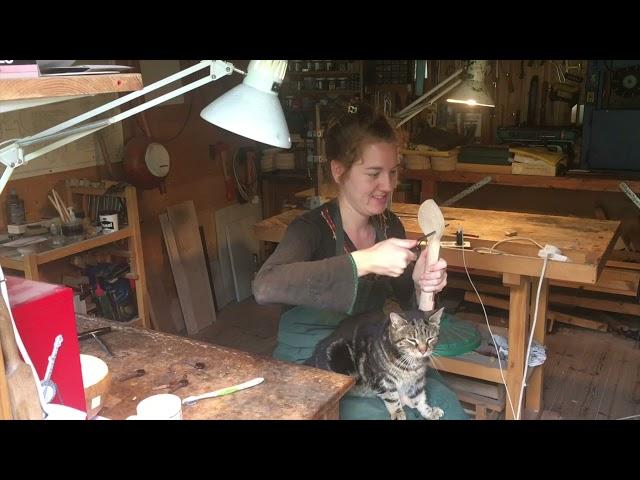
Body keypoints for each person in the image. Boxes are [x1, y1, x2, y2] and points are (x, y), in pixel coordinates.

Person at [253, 103, 468, 420]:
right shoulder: (311, 229)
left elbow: (412, 319)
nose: (388, 185)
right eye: (373, 174)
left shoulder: (388, 226)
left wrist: (424, 286)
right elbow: (264, 286)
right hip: (317, 360)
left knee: (445, 406)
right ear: (339, 170)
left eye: (393, 172)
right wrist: (363, 261)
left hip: (373, 352)